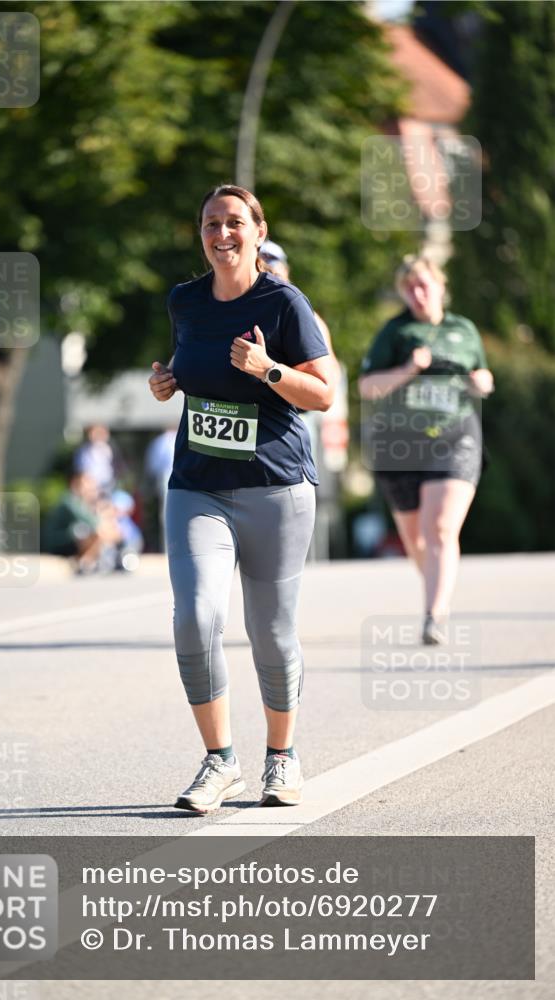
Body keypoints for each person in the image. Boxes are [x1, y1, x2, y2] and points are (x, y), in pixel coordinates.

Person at [149, 184, 337, 813]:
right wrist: (165, 381)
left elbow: (324, 393)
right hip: (198, 486)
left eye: (233, 223)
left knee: (273, 634)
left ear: (258, 231)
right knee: (195, 618)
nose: (221, 234)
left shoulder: (285, 303)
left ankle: (281, 759)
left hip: (276, 488)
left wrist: (268, 369)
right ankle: (219, 761)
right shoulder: (185, 301)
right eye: (210, 224)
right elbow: (187, 368)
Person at [358, 254, 494, 644]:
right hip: (400, 444)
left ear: (439, 286)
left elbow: (481, 374)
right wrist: (408, 369)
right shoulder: (395, 333)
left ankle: (434, 615)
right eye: (409, 288)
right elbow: (367, 387)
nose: (418, 293)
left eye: (424, 285)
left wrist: (482, 381)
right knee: (416, 539)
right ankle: (437, 583)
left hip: (455, 435)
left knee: (440, 528)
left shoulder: (463, 330)